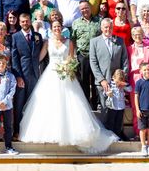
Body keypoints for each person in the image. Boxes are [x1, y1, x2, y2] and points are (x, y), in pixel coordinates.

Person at [20, 20, 118, 154]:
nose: (57, 29)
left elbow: (72, 58)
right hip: (51, 75)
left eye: (59, 27)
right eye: (54, 27)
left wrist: (68, 67)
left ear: (62, 28)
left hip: (66, 75)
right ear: (51, 29)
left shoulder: (69, 42)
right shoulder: (47, 42)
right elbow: (39, 57)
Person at [11, 14, 46, 140]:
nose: (25, 23)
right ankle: (17, 131)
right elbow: (14, 59)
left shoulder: (37, 36)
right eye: (22, 22)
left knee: (34, 104)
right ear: (19, 23)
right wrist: (18, 77)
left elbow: (42, 55)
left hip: (35, 76)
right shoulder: (15, 37)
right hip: (22, 76)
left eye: (26, 21)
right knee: (19, 105)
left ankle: (32, 130)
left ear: (30, 21)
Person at [89, 18, 129, 112]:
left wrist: (122, 78)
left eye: (110, 27)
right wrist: (101, 80)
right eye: (106, 27)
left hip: (117, 82)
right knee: (105, 110)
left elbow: (125, 60)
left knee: (118, 111)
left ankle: (117, 127)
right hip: (103, 82)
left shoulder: (120, 40)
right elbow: (93, 62)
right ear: (101, 28)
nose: (108, 29)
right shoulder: (94, 42)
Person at [128, 26, 149, 138]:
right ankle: (138, 132)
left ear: (143, 35)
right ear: (132, 36)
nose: (137, 37)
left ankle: (148, 132)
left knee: (147, 106)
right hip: (134, 79)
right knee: (136, 107)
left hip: (147, 79)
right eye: (135, 35)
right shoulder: (129, 48)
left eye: (140, 34)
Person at [71, 0, 101, 110]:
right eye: (82, 9)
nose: (84, 10)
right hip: (82, 56)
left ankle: (95, 104)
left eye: (86, 7)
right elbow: (73, 40)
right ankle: (85, 105)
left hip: (96, 56)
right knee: (83, 81)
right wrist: (74, 55)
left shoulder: (99, 21)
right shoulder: (76, 23)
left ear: (90, 7)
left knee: (95, 81)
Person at [104, 69, 132, 140]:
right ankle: (110, 137)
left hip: (121, 107)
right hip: (112, 107)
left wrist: (124, 83)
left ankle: (117, 136)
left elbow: (130, 89)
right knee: (110, 122)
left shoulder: (122, 85)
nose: (118, 82)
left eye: (120, 80)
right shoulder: (110, 84)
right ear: (113, 77)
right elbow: (104, 93)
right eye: (117, 80)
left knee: (118, 123)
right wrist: (108, 93)